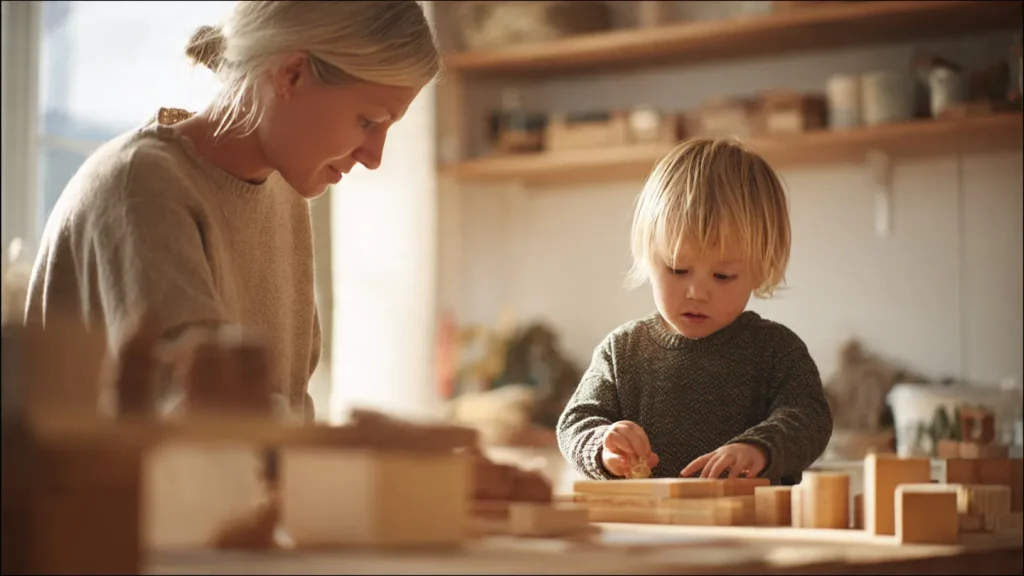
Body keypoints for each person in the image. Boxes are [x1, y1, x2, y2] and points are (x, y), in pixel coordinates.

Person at [24, 0, 442, 422]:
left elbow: (278, 417)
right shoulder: (143, 187)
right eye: (368, 122)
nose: (374, 158)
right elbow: (205, 419)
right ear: (291, 75)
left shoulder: (285, 199)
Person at [556, 138, 833, 485]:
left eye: (723, 276)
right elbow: (575, 422)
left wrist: (759, 448)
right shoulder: (621, 351)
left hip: (753, 516)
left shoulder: (776, 350)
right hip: (646, 517)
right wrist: (604, 446)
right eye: (677, 269)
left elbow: (810, 418)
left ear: (762, 269)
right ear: (648, 258)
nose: (697, 293)